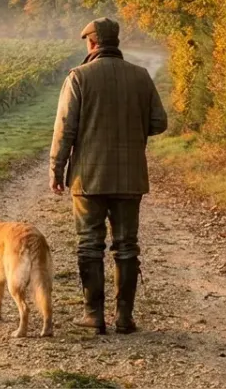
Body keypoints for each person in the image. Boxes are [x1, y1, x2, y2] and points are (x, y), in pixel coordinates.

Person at [49, 18, 167, 335]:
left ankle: (94, 316)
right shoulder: (141, 77)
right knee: (127, 246)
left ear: (91, 43)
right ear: (115, 42)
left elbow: (65, 129)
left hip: (88, 179)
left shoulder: (79, 77)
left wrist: (56, 169)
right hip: (131, 178)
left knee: (90, 245)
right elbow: (159, 123)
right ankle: (125, 319)